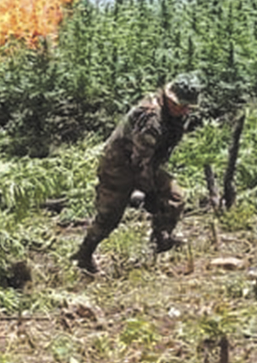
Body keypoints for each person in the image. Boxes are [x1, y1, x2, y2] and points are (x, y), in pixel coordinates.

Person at [71, 73, 203, 274]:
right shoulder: (151, 119)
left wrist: (153, 189)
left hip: (146, 164)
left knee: (175, 197)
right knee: (109, 217)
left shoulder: (177, 115)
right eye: (180, 105)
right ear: (169, 99)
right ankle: (84, 255)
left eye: (187, 106)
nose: (184, 110)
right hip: (118, 168)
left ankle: (160, 238)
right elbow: (140, 162)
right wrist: (148, 192)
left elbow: (153, 158)